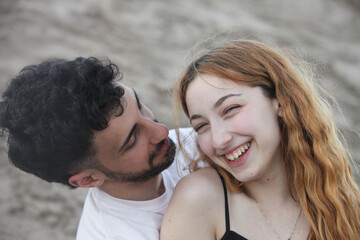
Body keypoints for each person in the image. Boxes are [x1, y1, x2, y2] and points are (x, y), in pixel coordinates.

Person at [160, 40, 360, 240]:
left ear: (281, 100)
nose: (219, 140)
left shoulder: (342, 208)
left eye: (230, 109)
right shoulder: (199, 198)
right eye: (201, 126)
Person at [0, 57, 198, 240]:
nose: (162, 131)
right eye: (132, 140)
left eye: (139, 107)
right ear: (88, 179)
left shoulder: (197, 145)